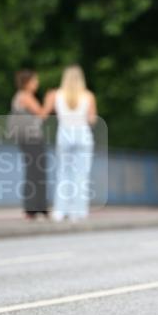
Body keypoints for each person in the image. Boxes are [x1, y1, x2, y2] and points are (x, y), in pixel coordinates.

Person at [43, 65, 97, 221]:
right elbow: (92, 119)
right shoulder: (88, 96)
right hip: (83, 135)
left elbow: (46, 113)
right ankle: (79, 212)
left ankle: (60, 211)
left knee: (63, 173)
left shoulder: (56, 95)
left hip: (65, 134)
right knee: (82, 174)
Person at [9, 69, 49, 219]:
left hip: (27, 139)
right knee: (36, 172)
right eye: (34, 80)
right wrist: (49, 101)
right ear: (27, 83)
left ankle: (34, 207)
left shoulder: (20, 96)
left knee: (34, 171)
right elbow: (42, 114)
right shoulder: (25, 97)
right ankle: (36, 207)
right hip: (31, 139)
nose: (37, 83)